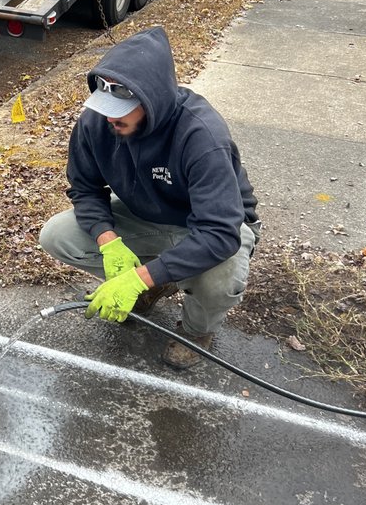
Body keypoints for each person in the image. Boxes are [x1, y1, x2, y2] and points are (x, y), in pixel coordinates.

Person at [39, 26, 261, 369]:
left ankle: (195, 330)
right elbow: (84, 188)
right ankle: (155, 281)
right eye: (105, 105)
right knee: (57, 235)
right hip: (146, 215)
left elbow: (219, 232)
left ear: (152, 99)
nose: (111, 116)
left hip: (212, 225)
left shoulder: (200, 135)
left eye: (122, 107)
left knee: (219, 279)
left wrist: (139, 276)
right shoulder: (97, 123)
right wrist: (108, 239)